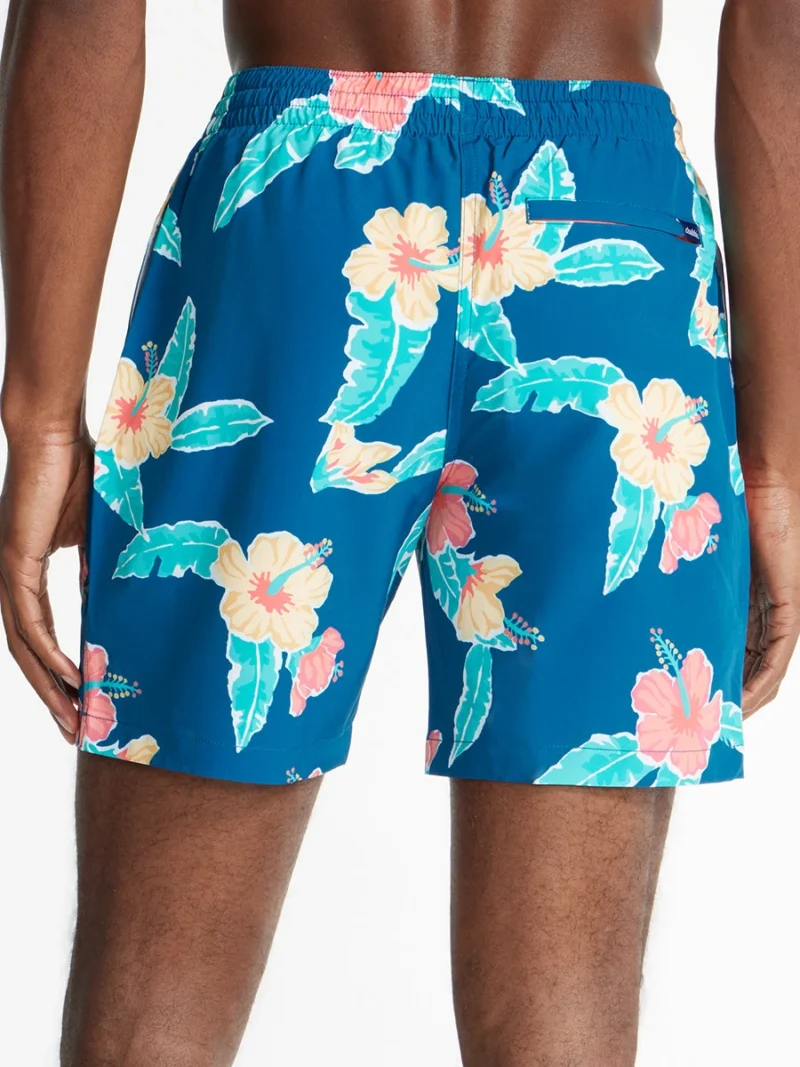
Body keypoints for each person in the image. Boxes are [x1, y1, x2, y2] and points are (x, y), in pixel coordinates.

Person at [1, 1, 798, 1063]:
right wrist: (775, 465)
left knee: (154, 1008)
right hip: (611, 238)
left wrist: (42, 419)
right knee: (562, 1026)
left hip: (305, 212)